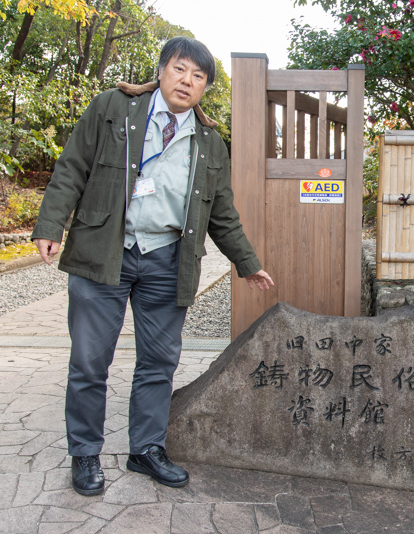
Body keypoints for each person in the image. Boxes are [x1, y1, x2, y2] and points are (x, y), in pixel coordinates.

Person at [31, 37, 274, 496]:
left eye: (198, 76)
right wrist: (51, 224)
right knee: (89, 361)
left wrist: (247, 263)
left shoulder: (209, 142)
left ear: (205, 88)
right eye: (180, 69)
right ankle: (85, 452)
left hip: (167, 258)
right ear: (162, 70)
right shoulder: (113, 108)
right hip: (103, 249)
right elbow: (72, 167)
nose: (187, 81)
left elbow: (222, 213)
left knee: (159, 361)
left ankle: (146, 449)